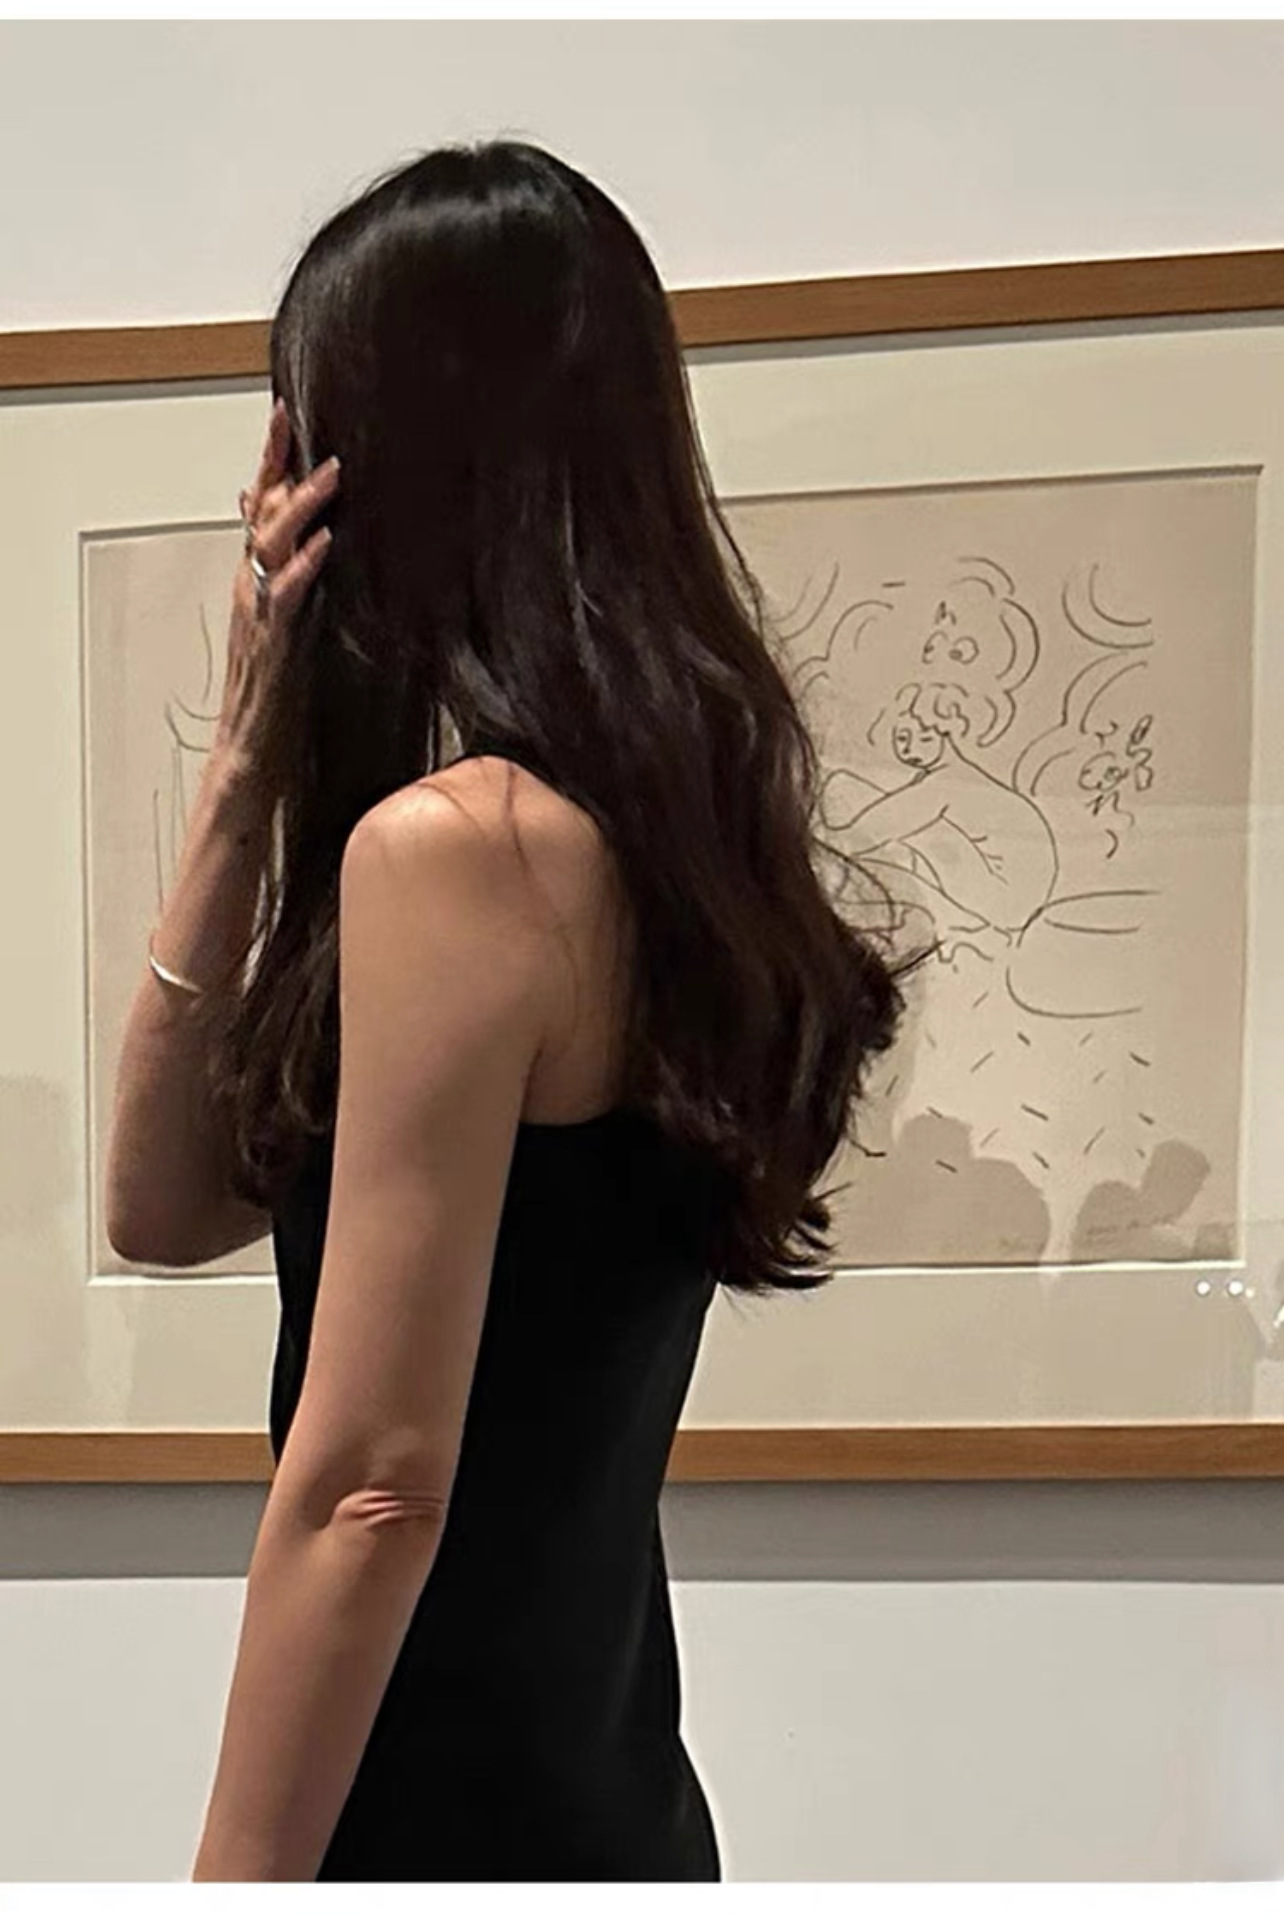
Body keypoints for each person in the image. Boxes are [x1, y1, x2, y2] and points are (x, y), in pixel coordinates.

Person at [104, 139, 908, 1883]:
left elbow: (372, 1487)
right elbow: (158, 1207)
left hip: (439, 1826)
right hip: (608, 1802)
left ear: (380, 468)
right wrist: (242, 775)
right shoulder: (664, 849)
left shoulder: (463, 854)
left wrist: (229, 1891)